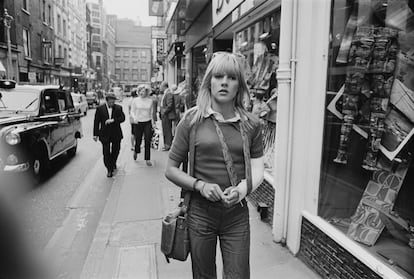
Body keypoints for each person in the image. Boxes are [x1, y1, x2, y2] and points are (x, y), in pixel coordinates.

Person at [165, 52, 264, 278]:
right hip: (200, 213)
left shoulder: (251, 124)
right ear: (209, 81)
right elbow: (170, 169)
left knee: (238, 275)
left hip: (236, 214)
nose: (224, 82)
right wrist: (200, 185)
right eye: (219, 76)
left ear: (239, 85)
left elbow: (258, 170)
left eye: (231, 77)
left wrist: (241, 191)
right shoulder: (192, 120)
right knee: (203, 275)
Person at [93, 92, 125, 177]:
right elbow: (96, 122)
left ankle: (113, 162)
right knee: (106, 152)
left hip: (116, 133)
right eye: (110, 102)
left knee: (116, 150)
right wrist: (95, 134)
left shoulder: (118, 108)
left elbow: (123, 118)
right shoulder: (100, 109)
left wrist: (113, 120)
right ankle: (109, 169)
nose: (112, 103)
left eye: (113, 102)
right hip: (104, 133)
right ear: (106, 101)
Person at [131, 85, 156, 166]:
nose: (142, 93)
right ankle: (136, 150)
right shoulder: (135, 100)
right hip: (138, 122)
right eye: (141, 91)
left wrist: (153, 123)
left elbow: (152, 112)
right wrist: (134, 118)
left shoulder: (150, 101)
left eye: (144, 91)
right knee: (138, 139)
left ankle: (147, 159)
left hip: (147, 121)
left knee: (147, 140)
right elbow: (132, 111)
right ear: (138, 92)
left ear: (147, 92)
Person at [160, 82, 175, 151]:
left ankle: (168, 145)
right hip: (165, 115)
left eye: (161, 86)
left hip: (167, 115)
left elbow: (170, 105)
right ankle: (167, 144)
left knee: (167, 130)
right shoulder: (166, 93)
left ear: (164, 86)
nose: (160, 87)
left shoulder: (168, 93)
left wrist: (164, 111)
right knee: (166, 129)